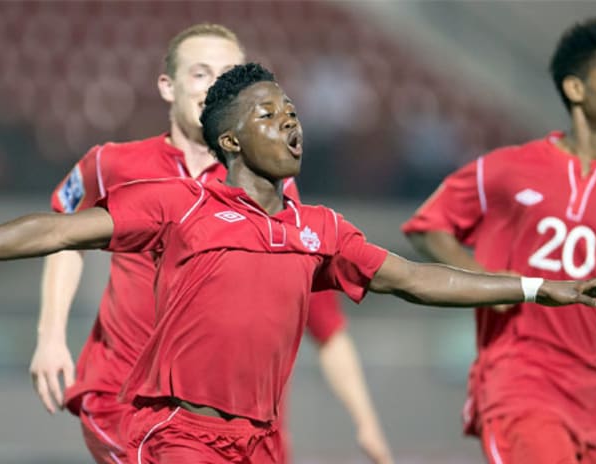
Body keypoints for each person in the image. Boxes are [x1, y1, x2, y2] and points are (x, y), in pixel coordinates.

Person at [0, 63, 596, 464]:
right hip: (181, 437)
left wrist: (535, 286)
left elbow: (417, 279)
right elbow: (55, 232)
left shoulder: (321, 228)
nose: (287, 119)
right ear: (226, 141)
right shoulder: (177, 205)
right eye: (266, 113)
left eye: (291, 110)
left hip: (259, 442)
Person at [37, 23, 393, 463]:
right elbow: (62, 230)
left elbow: (324, 321)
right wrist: (51, 335)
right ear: (168, 86)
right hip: (125, 402)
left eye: (228, 74)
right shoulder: (113, 165)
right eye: (201, 73)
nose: (215, 86)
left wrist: (366, 421)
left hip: (242, 426)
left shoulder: (275, 194)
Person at [401, 18, 596, 464]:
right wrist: (484, 282)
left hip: (594, 401)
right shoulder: (507, 169)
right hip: (518, 380)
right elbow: (426, 227)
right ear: (576, 89)